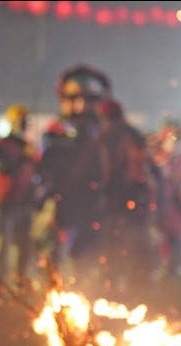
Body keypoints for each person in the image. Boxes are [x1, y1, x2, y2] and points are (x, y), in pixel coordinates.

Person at [35, 63, 111, 290]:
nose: (81, 106)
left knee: (92, 262)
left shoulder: (108, 136)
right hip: (61, 208)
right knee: (56, 260)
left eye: (90, 99)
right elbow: (42, 172)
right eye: (75, 98)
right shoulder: (53, 135)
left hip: (96, 207)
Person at [97, 97, 155, 290]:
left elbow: (113, 170)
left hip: (120, 200)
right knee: (134, 242)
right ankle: (136, 281)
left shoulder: (113, 136)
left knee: (119, 243)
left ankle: (120, 281)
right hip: (135, 198)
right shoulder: (133, 134)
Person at [0, 103, 38, 298]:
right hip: (3, 203)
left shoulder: (26, 147)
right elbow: (4, 167)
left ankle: (20, 282)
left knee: (23, 245)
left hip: (23, 202)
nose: (24, 125)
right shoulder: (1, 145)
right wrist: (23, 158)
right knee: (1, 245)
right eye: (21, 121)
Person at [148, 117, 181, 278]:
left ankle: (176, 265)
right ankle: (160, 266)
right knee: (159, 238)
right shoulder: (154, 158)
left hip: (176, 207)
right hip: (158, 205)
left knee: (177, 237)